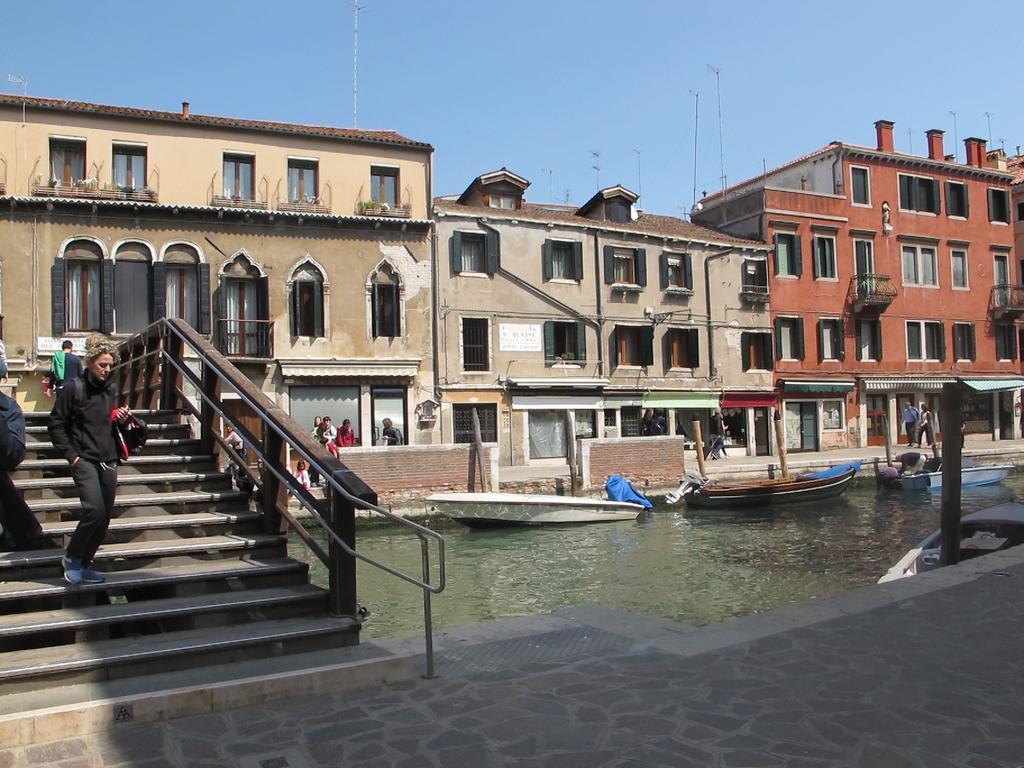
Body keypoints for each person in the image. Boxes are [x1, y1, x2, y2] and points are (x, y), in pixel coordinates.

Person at [48, 335, 130, 585]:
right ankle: (72, 558)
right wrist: (72, 456)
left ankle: (85, 563)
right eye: (102, 364)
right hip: (84, 459)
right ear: (90, 363)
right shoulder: (74, 388)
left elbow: (107, 418)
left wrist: (119, 417)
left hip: (108, 458)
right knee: (94, 509)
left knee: (104, 517)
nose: (107, 370)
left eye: (109, 365)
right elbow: (55, 424)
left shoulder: (111, 389)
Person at [308, 417, 322, 486]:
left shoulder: (322, 430)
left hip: (320, 450)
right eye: (316, 421)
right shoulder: (313, 430)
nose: (317, 422)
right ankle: (312, 480)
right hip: (314, 449)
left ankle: (315, 480)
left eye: (319, 420)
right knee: (313, 465)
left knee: (317, 466)